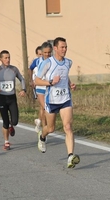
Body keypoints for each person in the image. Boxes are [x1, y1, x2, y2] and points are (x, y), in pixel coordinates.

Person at [35, 37, 80, 168]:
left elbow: (65, 76)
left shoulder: (68, 62)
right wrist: (50, 82)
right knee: (51, 128)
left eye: (66, 47)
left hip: (65, 99)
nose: (64, 49)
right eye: (62, 47)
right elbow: (37, 81)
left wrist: (70, 84)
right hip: (52, 100)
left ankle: (70, 156)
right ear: (55, 48)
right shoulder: (48, 63)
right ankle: (42, 137)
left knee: (68, 127)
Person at [0, 50, 27, 150]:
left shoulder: (14, 69)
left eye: (9, 57)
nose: (8, 60)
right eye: (5, 58)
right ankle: (6, 142)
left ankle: (12, 125)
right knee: (5, 122)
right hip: (2, 98)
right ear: (1, 59)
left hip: (12, 98)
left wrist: (24, 90)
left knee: (15, 121)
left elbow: (22, 79)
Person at [33, 42, 52, 133]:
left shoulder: (53, 61)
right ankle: (45, 128)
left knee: (44, 108)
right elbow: (30, 69)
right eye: (44, 53)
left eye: (49, 52)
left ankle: (39, 121)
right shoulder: (37, 61)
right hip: (40, 87)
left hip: (49, 87)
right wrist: (31, 80)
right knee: (44, 108)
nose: (47, 54)